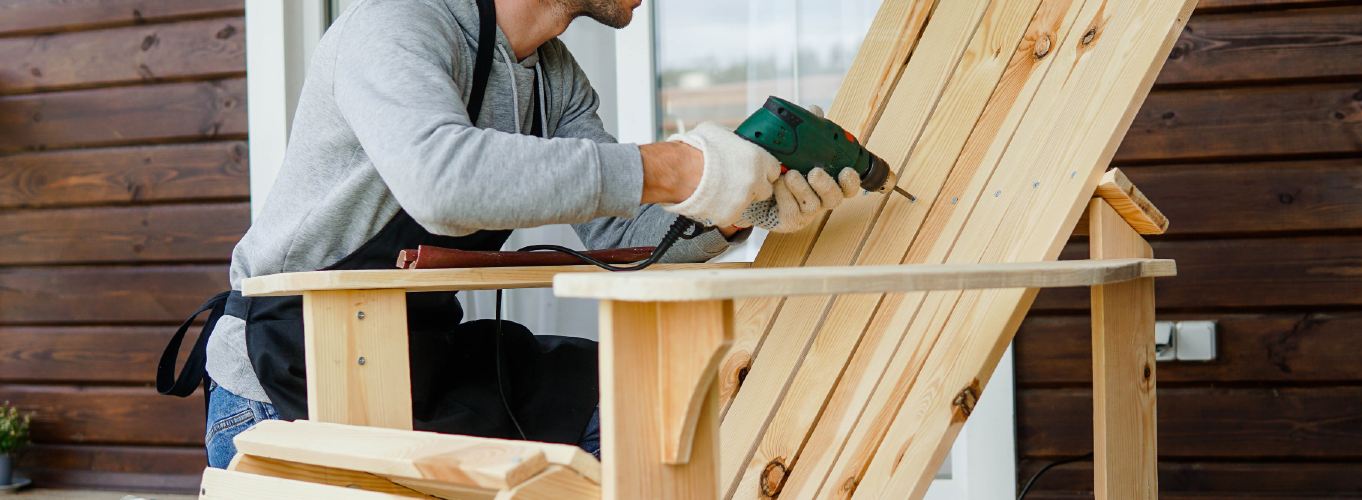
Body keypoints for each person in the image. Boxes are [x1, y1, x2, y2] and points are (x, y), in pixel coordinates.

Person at [156, 0, 861, 469]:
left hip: (422, 355)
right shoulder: (398, 25)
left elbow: (626, 233)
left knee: (644, 398)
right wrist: (676, 167)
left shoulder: (554, 78)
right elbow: (444, 181)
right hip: (287, 377)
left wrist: (731, 206)